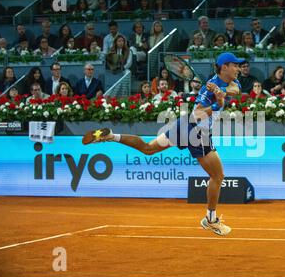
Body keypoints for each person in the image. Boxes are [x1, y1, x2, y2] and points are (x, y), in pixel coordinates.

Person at [82, 52, 244, 236]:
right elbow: (197, 114)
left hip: (183, 126)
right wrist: (215, 104)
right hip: (198, 132)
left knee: (148, 149)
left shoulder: (231, 81)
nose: (239, 68)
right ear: (224, 67)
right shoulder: (207, 92)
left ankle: (112, 136)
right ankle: (210, 219)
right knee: (218, 176)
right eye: (235, 65)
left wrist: (221, 93)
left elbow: (235, 90)